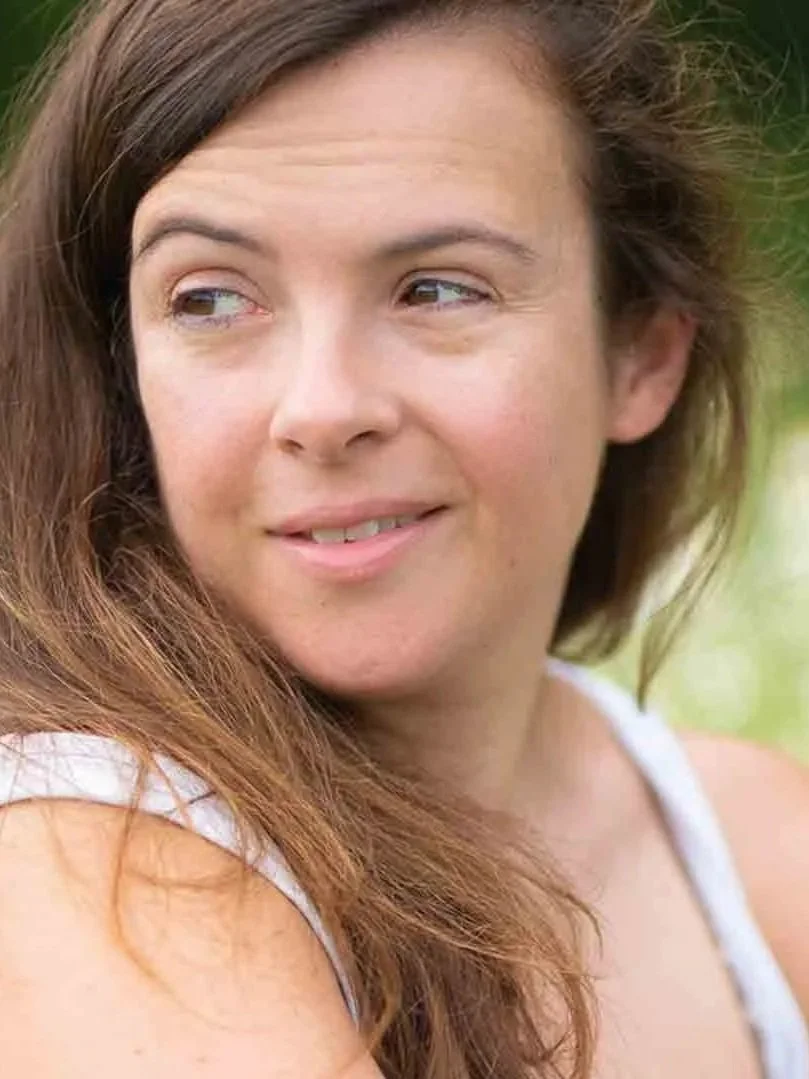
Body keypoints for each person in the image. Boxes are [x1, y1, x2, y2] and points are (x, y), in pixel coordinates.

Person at [0, 0, 807, 1076]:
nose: (322, 407)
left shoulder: (747, 841)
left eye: (435, 289)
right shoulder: (85, 859)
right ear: (120, 365)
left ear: (640, 356)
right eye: (211, 300)